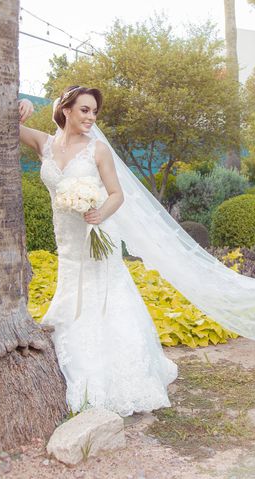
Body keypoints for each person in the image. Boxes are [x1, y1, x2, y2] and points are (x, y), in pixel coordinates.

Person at [18, 86, 177, 416]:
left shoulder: (98, 151)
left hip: (96, 236)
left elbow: (117, 194)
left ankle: (118, 375)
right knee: (72, 294)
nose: (91, 117)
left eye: (94, 112)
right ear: (66, 110)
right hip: (67, 243)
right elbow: (1, 123)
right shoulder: (44, 144)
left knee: (106, 300)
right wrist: (18, 105)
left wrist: (100, 213)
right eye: (84, 110)